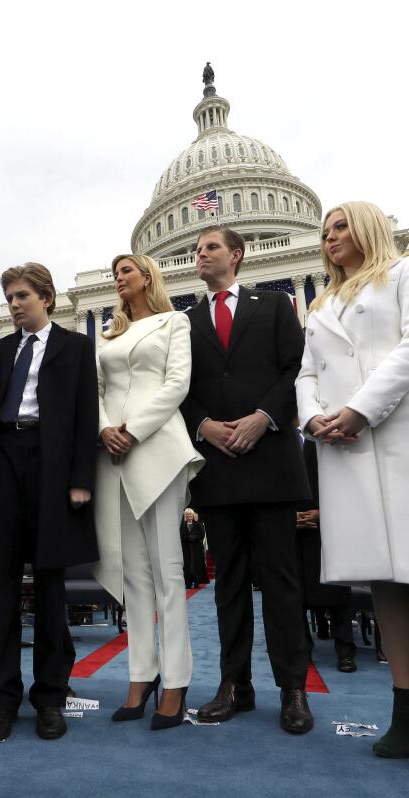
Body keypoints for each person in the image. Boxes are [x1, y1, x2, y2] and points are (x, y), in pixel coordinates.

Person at [297, 202, 409, 771]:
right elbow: (305, 374)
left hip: (403, 435)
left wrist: (360, 409)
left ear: (368, 228)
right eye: (325, 231)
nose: (330, 237)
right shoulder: (321, 303)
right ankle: (407, 703)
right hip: (342, 446)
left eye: (341, 226)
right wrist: (312, 418)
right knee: (383, 579)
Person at [181, 227, 314, 734]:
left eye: (210, 247)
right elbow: (182, 386)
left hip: (270, 457)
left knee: (282, 582)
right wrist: (203, 425)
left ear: (235, 255)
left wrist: (264, 416)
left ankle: (293, 689)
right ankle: (233, 684)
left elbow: (296, 369)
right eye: (196, 250)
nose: (201, 254)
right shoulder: (186, 320)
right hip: (218, 464)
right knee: (228, 584)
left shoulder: (276, 305)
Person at [0, 262, 98, 743]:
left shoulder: (77, 347)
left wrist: (81, 479)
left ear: (47, 297)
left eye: (22, 296)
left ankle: (49, 696)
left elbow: (87, 414)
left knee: (49, 584)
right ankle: (1, 696)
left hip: (52, 466)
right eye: (9, 298)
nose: (14, 304)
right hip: (1, 462)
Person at [94, 254, 204, 729]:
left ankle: (176, 681)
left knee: (167, 571)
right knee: (132, 572)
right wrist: (105, 430)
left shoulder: (174, 322)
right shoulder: (108, 334)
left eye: (127, 272)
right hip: (112, 454)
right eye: (115, 273)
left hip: (157, 446)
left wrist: (132, 430)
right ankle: (141, 675)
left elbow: (177, 384)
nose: (119, 279)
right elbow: (95, 390)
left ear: (147, 278)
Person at [296, 431, 357, 673]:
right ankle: (302, 651)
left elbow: (344, 480)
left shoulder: (321, 436)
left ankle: (345, 652)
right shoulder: (275, 438)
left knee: (337, 594)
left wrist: (323, 512)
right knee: (295, 597)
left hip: (328, 528)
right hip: (290, 531)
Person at [180, 509, 207, 589]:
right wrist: (188, 538)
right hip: (187, 549)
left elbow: (202, 534)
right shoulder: (183, 525)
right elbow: (181, 535)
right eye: (187, 515)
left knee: (196, 565)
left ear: (193, 515)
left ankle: (196, 582)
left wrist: (194, 537)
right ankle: (188, 582)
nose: (189, 516)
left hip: (196, 548)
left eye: (190, 515)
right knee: (188, 565)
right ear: (185, 516)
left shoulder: (197, 524)